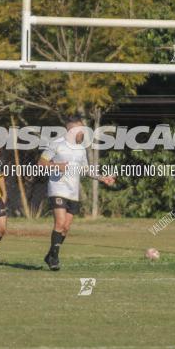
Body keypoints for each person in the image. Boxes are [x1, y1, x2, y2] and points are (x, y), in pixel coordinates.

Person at [38, 116, 115, 271]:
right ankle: (54, 258)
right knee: (59, 223)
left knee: (65, 228)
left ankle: (51, 255)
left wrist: (102, 178)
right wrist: (56, 165)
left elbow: (85, 170)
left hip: (73, 193)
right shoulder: (56, 144)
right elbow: (41, 163)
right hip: (57, 189)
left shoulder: (81, 149)